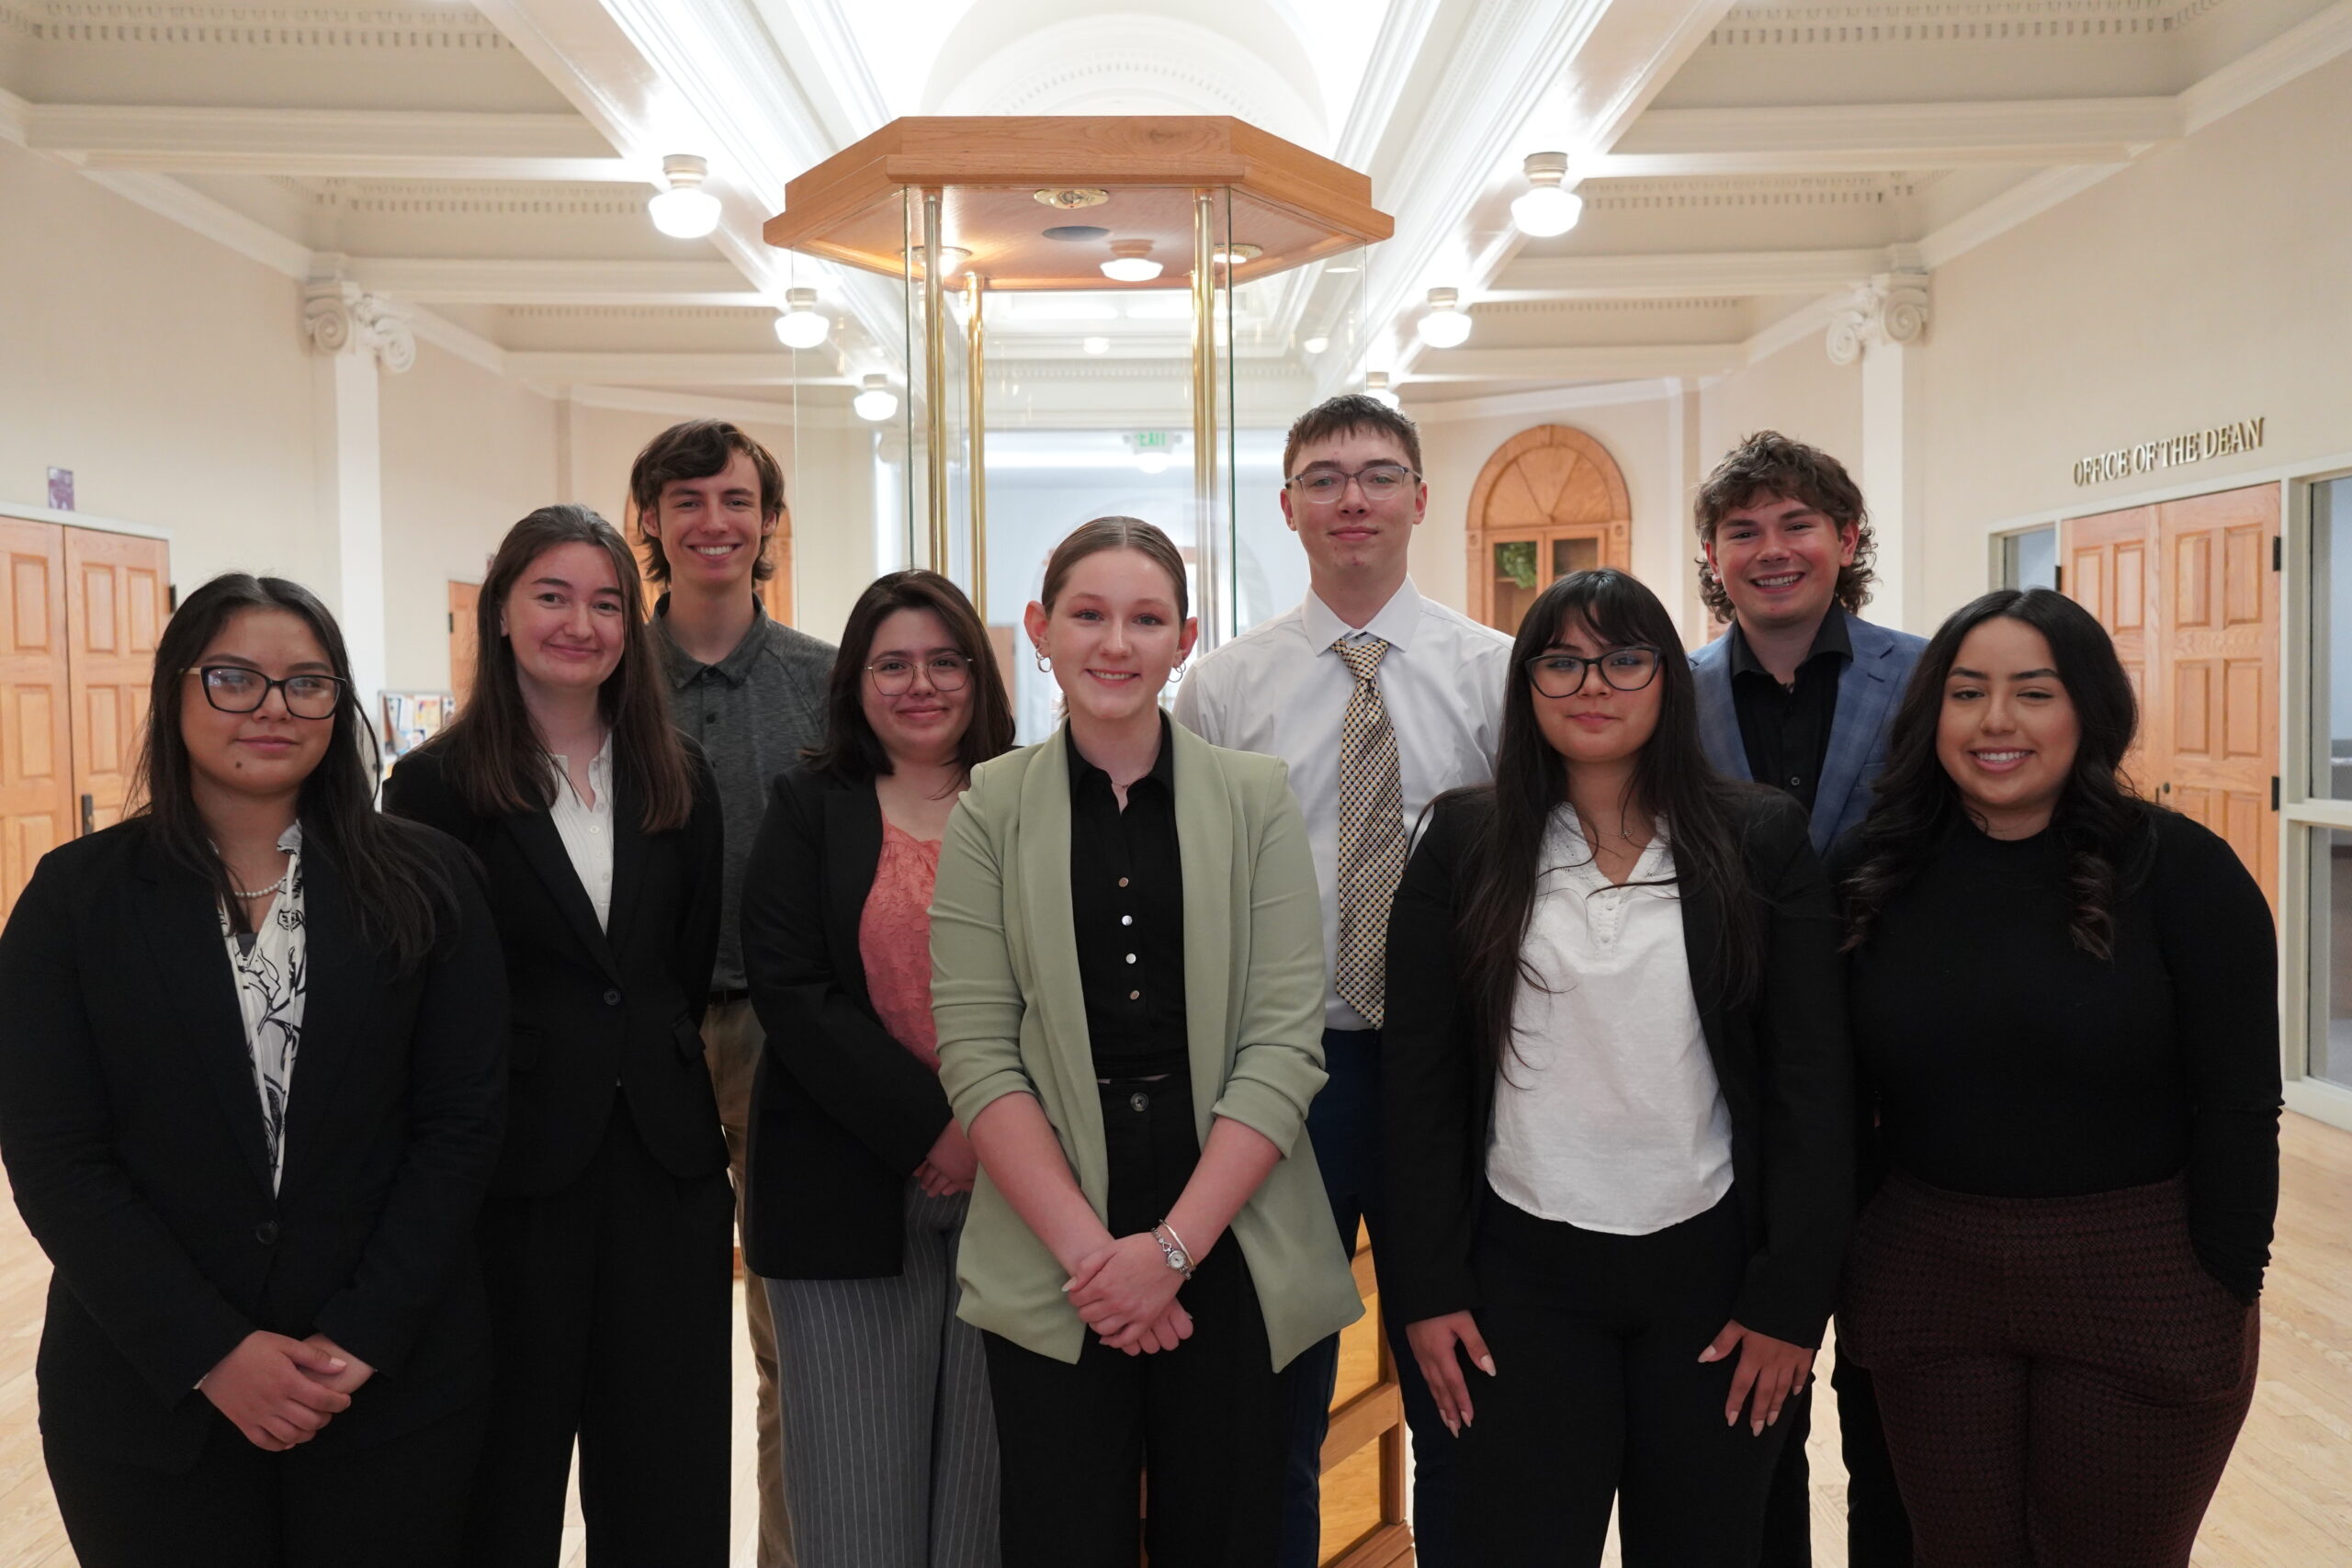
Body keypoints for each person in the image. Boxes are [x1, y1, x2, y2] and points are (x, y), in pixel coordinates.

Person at [0, 573, 506, 1568]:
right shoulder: (78, 899)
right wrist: (212, 1352)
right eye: (234, 678)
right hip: (153, 1396)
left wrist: (362, 1335)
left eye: (307, 683)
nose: (273, 707)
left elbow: (462, 1124)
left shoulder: (429, 882)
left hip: (384, 1382)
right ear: (174, 691)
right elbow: (56, 1154)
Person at [1382, 568, 1853, 1568]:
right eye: (1561, 662)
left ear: (1666, 680)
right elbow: (1417, 1086)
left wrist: (1788, 1304)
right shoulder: (1463, 844)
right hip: (1517, 1275)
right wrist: (1424, 1287)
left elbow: (1811, 1086)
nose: (1591, 684)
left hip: (1711, 1275)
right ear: (1525, 685)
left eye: (1624, 658)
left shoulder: (1758, 838)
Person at [930, 516, 1363, 1566]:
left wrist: (1170, 1253)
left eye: (1145, 618)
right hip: (1054, 1227)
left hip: (1229, 1211)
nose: (1114, 642)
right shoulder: (988, 807)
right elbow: (979, 1051)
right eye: (1087, 615)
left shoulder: (1254, 800)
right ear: (1040, 630)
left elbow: (1281, 1043)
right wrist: (1101, 1262)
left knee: (1232, 1534)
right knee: (1060, 1534)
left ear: (1186, 638)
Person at [1833, 588, 2279, 1568]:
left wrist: (2223, 1278)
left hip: (2139, 1277)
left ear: (2087, 709)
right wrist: (1867, 1244)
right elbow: (1830, 1090)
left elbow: (2240, 1102)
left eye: (2033, 693)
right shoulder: (1871, 873)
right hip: (1929, 1276)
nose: (1997, 722)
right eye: (1966, 693)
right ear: (1931, 714)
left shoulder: (2184, 874)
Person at [1174, 392, 1508, 1565]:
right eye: (1324, 477)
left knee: (1463, 1389)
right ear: (1287, 508)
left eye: (1377, 474)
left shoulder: (1495, 675)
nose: (1351, 497)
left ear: (1420, 498)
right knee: (1269, 1398)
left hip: (1447, 1077)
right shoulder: (1221, 690)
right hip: (1284, 1081)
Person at [384, 504, 729, 1568]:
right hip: (510, 1178)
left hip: (663, 1170)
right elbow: (422, 999)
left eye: (606, 602)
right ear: (500, 613)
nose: (579, 623)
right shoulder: (435, 787)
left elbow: (679, 965)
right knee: (506, 1472)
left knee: (667, 1474)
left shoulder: (677, 772)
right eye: (552, 596)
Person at [739, 570, 1016, 1566]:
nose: (920, 685)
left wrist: (987, 1133)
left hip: (1017, 1194)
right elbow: (791, 989)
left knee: (981, 1510)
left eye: (945, 662)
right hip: (842, 1187)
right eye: (891, 664)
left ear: (979, 677)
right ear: (854, 680)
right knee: (857, 1509)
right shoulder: (809, 806)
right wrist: (929, 1129)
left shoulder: (1029, 797)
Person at [1688, 429, 1924, 1566]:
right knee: (1747, 1417)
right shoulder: (1667, 698)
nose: (1771, 549)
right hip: (1732, 1099)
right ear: (1712, 554)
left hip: (1898, 1097)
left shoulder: (1928, 680)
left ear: (1848, 539)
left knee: (1893, 1419)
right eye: (1744, 531)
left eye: (1797, 525)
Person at [633, 417, 835, 1568]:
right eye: (688, 499)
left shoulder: (821, 683)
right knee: (657, 1339)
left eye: (738, 500)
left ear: (768, 523)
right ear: (651, 520)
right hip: (645, 1039)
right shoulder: (606, 678)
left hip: (783, 1034)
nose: (715, 521)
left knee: (789, 1339)